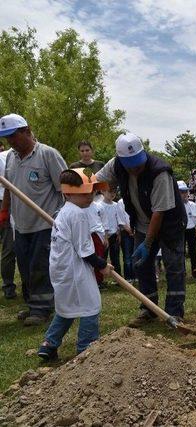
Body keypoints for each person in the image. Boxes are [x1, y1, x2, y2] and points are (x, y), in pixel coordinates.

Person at [96, 133, 187, 326]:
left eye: (138, 163)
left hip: (169, 225)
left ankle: (174, 312)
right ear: (121, 159)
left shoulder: (160, 172)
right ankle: (149, 308)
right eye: (131, 165)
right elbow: (95, 181)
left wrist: (147, 243)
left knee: (174, 267)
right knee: (141, 264)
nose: (136, 168)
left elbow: (159, 212)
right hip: (142, 223)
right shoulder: (116, 165)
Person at [37, 168, 113, 361]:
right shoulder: (77, 215)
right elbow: (86, 251)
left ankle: (49, 344)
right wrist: (102, 265)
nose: (89, 196)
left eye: (91, 192)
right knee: (91, 305)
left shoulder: (65, 212)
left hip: (61, 271)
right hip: (75, 271)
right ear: (68, 193)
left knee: (66, 307)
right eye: (84, 193)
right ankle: (86, 350)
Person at [0, 113, 67, 326]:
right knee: (26, 266)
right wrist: (4, 212)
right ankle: (32, 304)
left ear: (27, 131)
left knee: (41, 266)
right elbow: (9, 189)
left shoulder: (48, 155)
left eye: (13, 136)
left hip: (45, 222)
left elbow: (65, 188)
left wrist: (64, 219)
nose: (10, 141)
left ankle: (42, 309)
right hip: (20, 225)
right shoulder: (11, 158)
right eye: (6, 138)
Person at [0, 142, 17, 299]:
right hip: (6, 203)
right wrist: (4, 211)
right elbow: (6, 187)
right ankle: (8, 285)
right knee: (9, 247)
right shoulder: (5, 157)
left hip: (21, 203)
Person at [178, 180, 196, 279]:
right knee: (181, 251)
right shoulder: (175, 206)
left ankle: (194, 270)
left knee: (192, 250)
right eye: (182, 192)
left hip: (191, 229)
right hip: (180, 230)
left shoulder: (192, 205)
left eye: (185, 192)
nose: (184, 194)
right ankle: (182, 271)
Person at [97, 186, 122, 277]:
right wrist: (105, 237)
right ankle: (100, 278)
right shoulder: (99, 206)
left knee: (115, 257)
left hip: (114, 235)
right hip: (104, 236)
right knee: (102, 257)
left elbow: (119, 219)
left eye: (114, 192)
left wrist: (119, 233)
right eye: (110, 191)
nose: (112, 194)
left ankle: (118, 277)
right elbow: (101, 222)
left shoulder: (116, 205)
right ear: (102, 191)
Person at [86, 198, 107, 289]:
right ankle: (91, 281)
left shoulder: (99, 206)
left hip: (98, 234)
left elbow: (104, 222)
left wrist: (105, 237)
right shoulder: (80, 206)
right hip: (87, 234)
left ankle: (99, 281)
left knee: (100, 257)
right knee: (89, 260)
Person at [116, 197, 135, 282]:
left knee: (136, 255)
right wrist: (130, 230)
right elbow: (121, 220)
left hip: (137, 230)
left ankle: (136, 276)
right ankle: (128, 277)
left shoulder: (136, 199)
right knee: (127, 256)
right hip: (126, 232)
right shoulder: (121, 202)